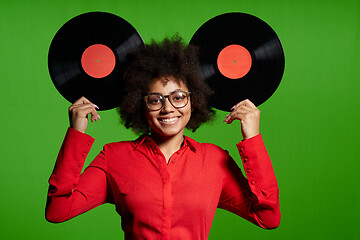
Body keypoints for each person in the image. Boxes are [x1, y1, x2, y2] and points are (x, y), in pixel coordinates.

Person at [45, 35, 280, 240]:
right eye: (155, 100)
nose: (168, 109)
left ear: (194, 100)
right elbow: (58, 210)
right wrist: (76, 133)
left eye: (178, 97)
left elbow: (267, 217)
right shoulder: (114, 157)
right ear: (140, 105)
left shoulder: (215, 161)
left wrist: (253, 139)